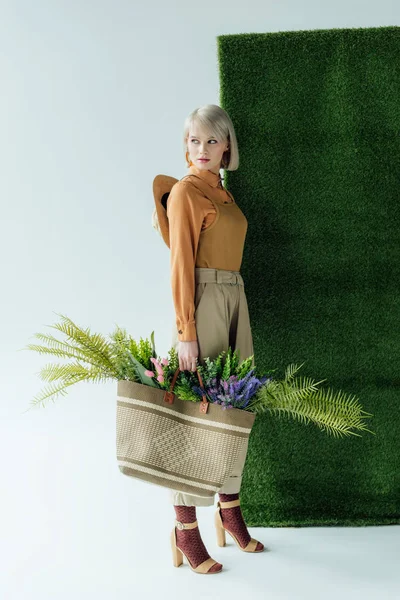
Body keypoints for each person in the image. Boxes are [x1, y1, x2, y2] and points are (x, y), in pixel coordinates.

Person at [152, 104, 264, 574]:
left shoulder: (224, 195)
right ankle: (186, 529)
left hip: (235, 296)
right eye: (194, 141)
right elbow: (180, 266)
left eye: (211, 141)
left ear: (227, 147)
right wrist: (186, 333)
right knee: (198, 415)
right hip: (204, 301)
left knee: (235, 409)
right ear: (186, 146)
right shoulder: (184, 194)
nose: (202, 150)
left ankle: (229, 508)